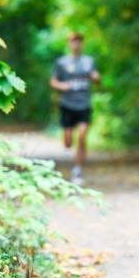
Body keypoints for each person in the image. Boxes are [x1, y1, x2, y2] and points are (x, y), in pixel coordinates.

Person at [50, 32, 100, 185]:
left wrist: (96, 78)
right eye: (73, 42)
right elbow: (53, 81)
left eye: (79, 42)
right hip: (67, 104)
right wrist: (62, 86)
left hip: (84, 104)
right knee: (68, 142)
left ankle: (78, 169)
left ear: (82, 44)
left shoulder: (89, 61)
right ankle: (67, 140)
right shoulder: (62, 63)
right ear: (69, 44)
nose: (76, 45)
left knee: (83, 136)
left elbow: (97, 79)